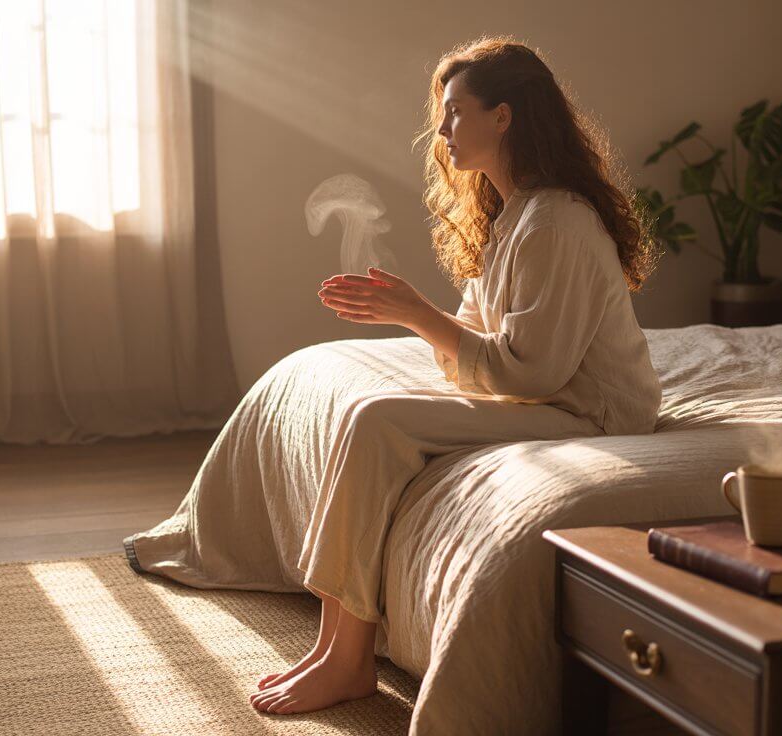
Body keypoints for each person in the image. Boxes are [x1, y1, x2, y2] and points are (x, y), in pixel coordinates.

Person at [243, 35, 663, 715]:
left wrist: (416, 313)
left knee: (378, 419)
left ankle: (347, 658)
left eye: (456, 112)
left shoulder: (556, 222)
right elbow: (474, 349)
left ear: (505, 116)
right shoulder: (512, 216)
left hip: (591, 411)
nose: (441, 132)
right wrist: (415, 317)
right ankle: (334, 648)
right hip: (549, 395)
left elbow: (531, 372)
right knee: (370, 412)